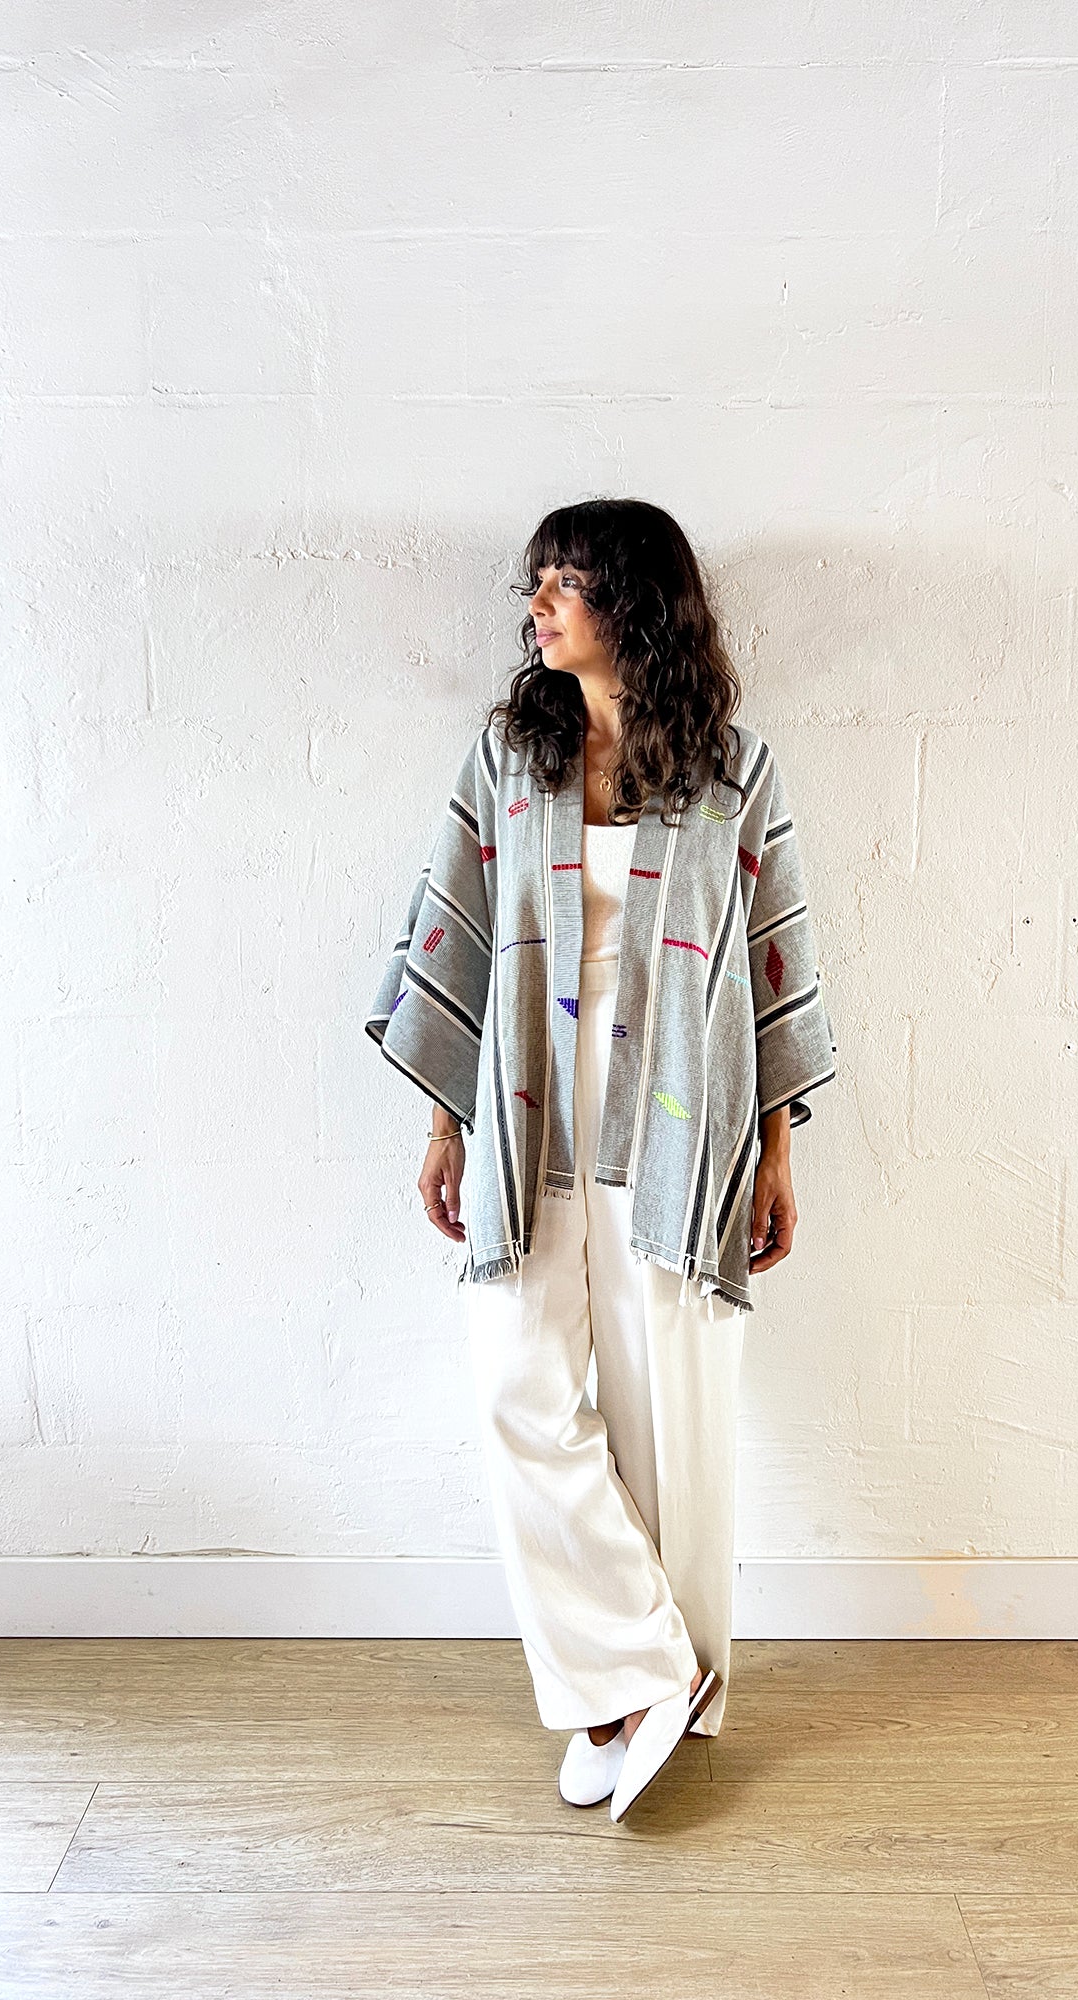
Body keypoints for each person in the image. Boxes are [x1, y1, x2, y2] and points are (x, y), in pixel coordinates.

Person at [365, 498, 838, 1820]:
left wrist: (777, 1154)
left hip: (678, 1121)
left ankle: (650, 1699)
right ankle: (638, 1672)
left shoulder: (732, 772)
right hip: (535, 1113)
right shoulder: (510, 761)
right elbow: (458, 933)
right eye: (537, 585)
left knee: (667, 1415)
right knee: (518, 1388)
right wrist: (446, 1125)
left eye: (562, 583)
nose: (536, 607)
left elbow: (771, 963)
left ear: (632, 599)